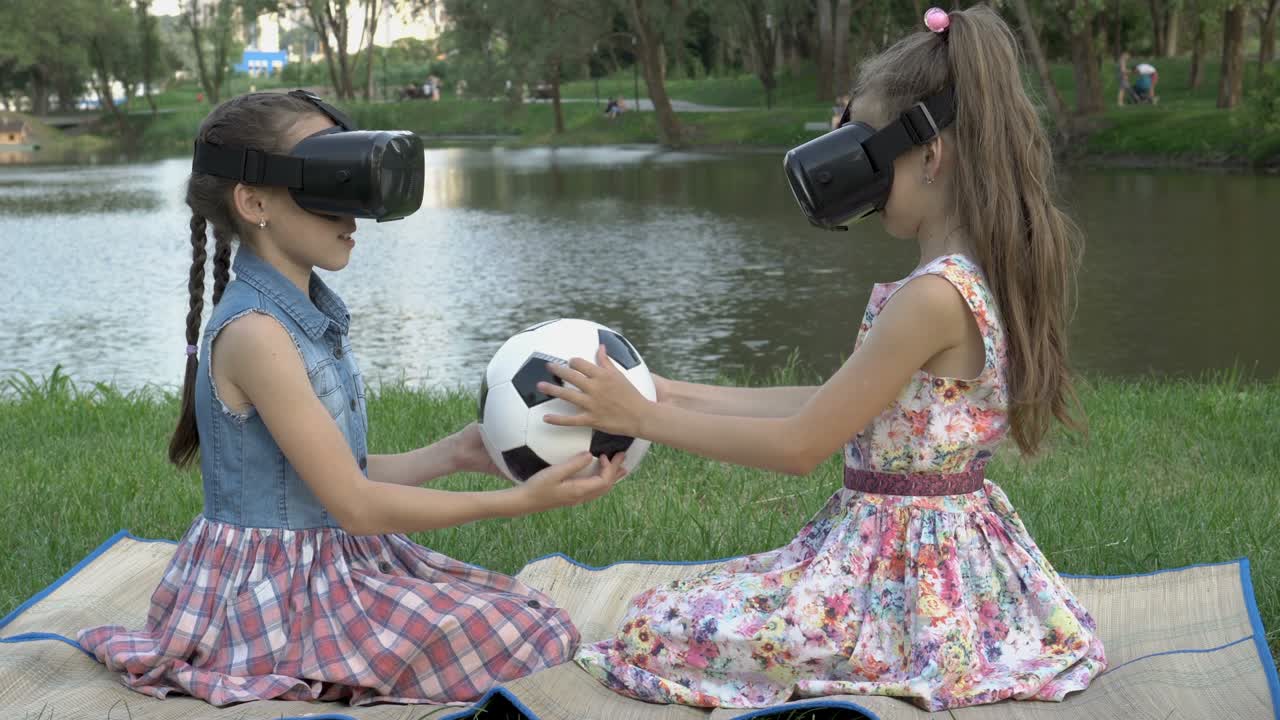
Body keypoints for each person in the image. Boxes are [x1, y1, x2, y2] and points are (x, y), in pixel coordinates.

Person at [539, 6, 1106, 712]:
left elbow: (800, 444)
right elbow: (835, 403)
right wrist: (665, 391)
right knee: (685, 607)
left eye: (865, 148)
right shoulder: (968, 274)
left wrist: (642, 420)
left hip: (903, 579)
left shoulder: (933, 296)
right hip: (941, 561)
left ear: (932, 155)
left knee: (660, 626)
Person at [76, 91, 625, 707]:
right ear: (254, 202)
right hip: (276, 592)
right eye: (326, 190)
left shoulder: (304, 315)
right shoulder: (257, 333)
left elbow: (333, 480)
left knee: (527, 613)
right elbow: (357, 505)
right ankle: (307, 663)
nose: (351, 218)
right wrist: (516, 500)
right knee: (530, 637)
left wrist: (452, 452)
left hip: (330, 558)